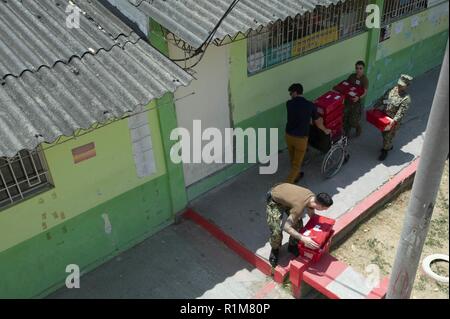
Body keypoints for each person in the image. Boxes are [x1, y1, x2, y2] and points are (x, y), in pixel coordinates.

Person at [266, 183, 334, 267]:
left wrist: (320, 229)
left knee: (298, 225)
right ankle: (275, 249)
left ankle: (292, 246)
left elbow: (312, 215)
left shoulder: (312, 198)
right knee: (276, 231)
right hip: (275, 201)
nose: (324, 210)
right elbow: (286, 227)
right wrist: (303, 238)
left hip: (288, 199)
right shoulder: (299, 206)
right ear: (319, 205)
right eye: (324, 209)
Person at [285, 83, 331, 183]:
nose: (290, 95)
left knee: (293, 158)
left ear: (295, 93)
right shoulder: (310, 105)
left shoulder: (288, 104)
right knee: (297, 165)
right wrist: (325, 130)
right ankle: (286, 186)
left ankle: (296, 176)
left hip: (288, 136)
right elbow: (318, 122)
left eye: (291, 93)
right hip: (300, 139)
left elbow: (298, 113)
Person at [373, 74, 413, 161]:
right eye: (399, 84)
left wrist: (394, 120)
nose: (399, 86)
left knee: (387, 136)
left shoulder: (406, 99)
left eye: (402, 85)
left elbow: (400, 112)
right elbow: (386, 100)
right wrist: (377, 105)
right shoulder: (392, 90)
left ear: (407, 86)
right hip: (384, 117)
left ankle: (385, 151)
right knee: (384, 134)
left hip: (393, 121)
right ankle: (388, 145)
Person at [343, 60, 369, 137]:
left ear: (363, 69)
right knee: (345, 117)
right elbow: (346, 85)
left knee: (353, 121)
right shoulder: (352, 76)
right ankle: (346, 132)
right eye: (357, 68)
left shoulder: (364, 79)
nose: (358, 70)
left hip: (356, 103)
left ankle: (358, 127)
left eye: (360, 68)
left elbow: (365, 92)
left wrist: (358, 97)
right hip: (348, 101)